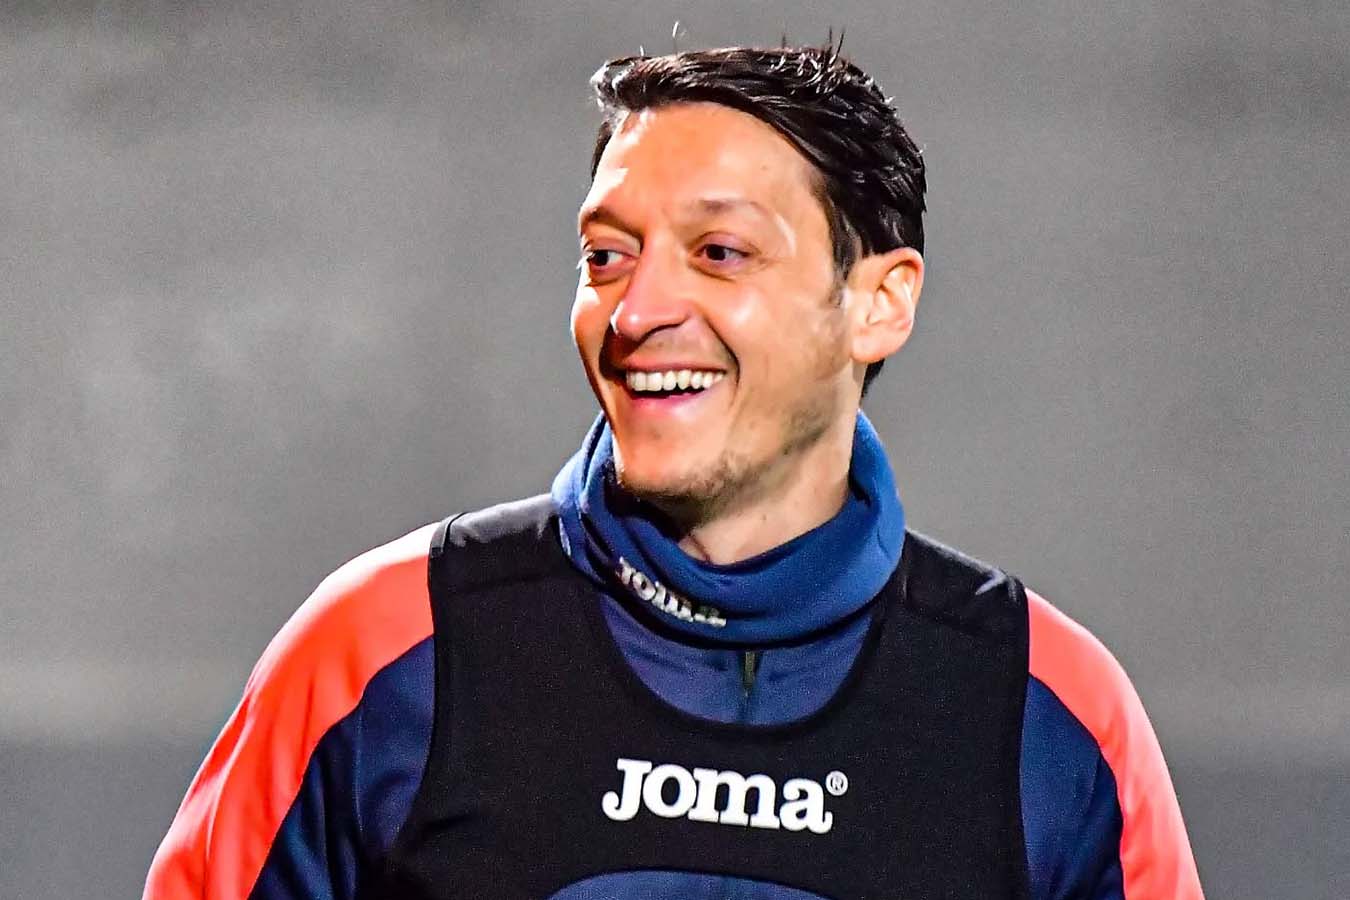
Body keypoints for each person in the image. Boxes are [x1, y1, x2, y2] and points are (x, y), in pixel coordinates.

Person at [144, 44, 1205, 900]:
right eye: (607, 256)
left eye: (719, 253)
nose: (637, 312)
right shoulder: (380, 648)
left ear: (879, 303)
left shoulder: (1051, 711)